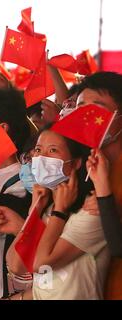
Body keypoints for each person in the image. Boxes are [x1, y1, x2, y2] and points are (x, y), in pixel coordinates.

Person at [0, 127, 110, 300]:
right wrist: (34, 211)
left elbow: (41, 263)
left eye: (53, 150)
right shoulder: (48, 208)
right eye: (38, 150)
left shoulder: (91, 211)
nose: (42, 157)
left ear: (75, 163)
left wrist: (60, 212)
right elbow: (16, 264)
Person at [75, 71, 122, 299]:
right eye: (81, 107)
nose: (86, 116)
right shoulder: (80, 166)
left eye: (97, 108)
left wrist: (104, 196)